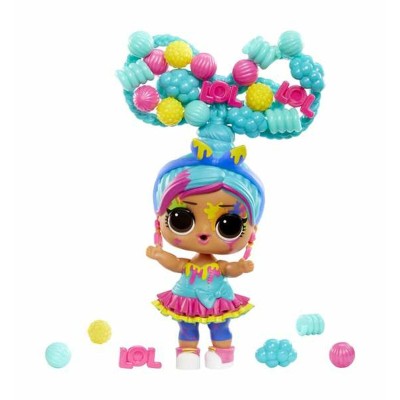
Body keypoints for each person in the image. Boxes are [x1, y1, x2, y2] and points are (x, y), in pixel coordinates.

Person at [117, 31, 324, 369]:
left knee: (220, 324)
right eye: (182, 219)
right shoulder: (191, 263)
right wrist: (160, 255)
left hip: (217, 295)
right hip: (187, 294)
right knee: (186, 326)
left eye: (228, 225)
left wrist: (238, 268)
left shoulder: (217, 265)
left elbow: (226, 269)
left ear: (251, 229)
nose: (202, 233)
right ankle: (187, 352)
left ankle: (221, 352)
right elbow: (178, 264)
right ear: (160, 216)